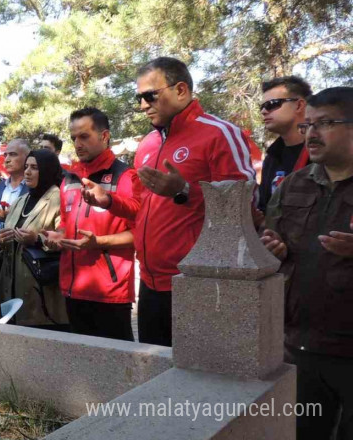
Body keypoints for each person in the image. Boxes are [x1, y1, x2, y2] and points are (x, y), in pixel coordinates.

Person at [81, 57, 255, 346]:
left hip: (197, 282)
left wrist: (184, 190)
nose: (142, 105)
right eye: (138, 97)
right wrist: (109, 201)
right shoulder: (148, 144)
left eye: (150, 95)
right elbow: (140, 209)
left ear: (181, 90)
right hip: (150, 285)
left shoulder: (219, 134)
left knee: (197, 380)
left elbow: (244, 208)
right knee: (156, 376)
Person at [261, 87, 353, 440]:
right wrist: (274, 248)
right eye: (308, 125)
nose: (311, 134)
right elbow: (273, 239)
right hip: (300, 347)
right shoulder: (294, 184)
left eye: (326, 123)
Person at [43, 108, 137, 341]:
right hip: (73, 289)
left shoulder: (125, 176)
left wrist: (98, 243)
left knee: (117, 366)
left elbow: (140, 234)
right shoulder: (69, 179)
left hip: (110, 292)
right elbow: (66, 224)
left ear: (104, 136)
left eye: (84, 136)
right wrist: (57, 236)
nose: (77, 144)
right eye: (74, 137)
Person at [0, 149, 68, 331]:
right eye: (27, 166)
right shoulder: (20, 201)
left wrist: (37, 239)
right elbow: (3, 243)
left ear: (47, 170)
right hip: (12, 289)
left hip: (42, 293)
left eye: (34, 167)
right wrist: (0, 240)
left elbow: (66, 238)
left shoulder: (60, 198)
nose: (27, 171)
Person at [256, 76, 312, 216]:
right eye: (262, 107)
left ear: (299, 105)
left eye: (272, 104)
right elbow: (265, 208)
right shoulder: (272, 157)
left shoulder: (325, 153)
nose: (264, 111)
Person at [0, 138, 30, 231]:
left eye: (13, 154)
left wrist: (8, 217)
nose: (7, 160)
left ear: (27, 157)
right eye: (5, 155)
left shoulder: (35, 188)